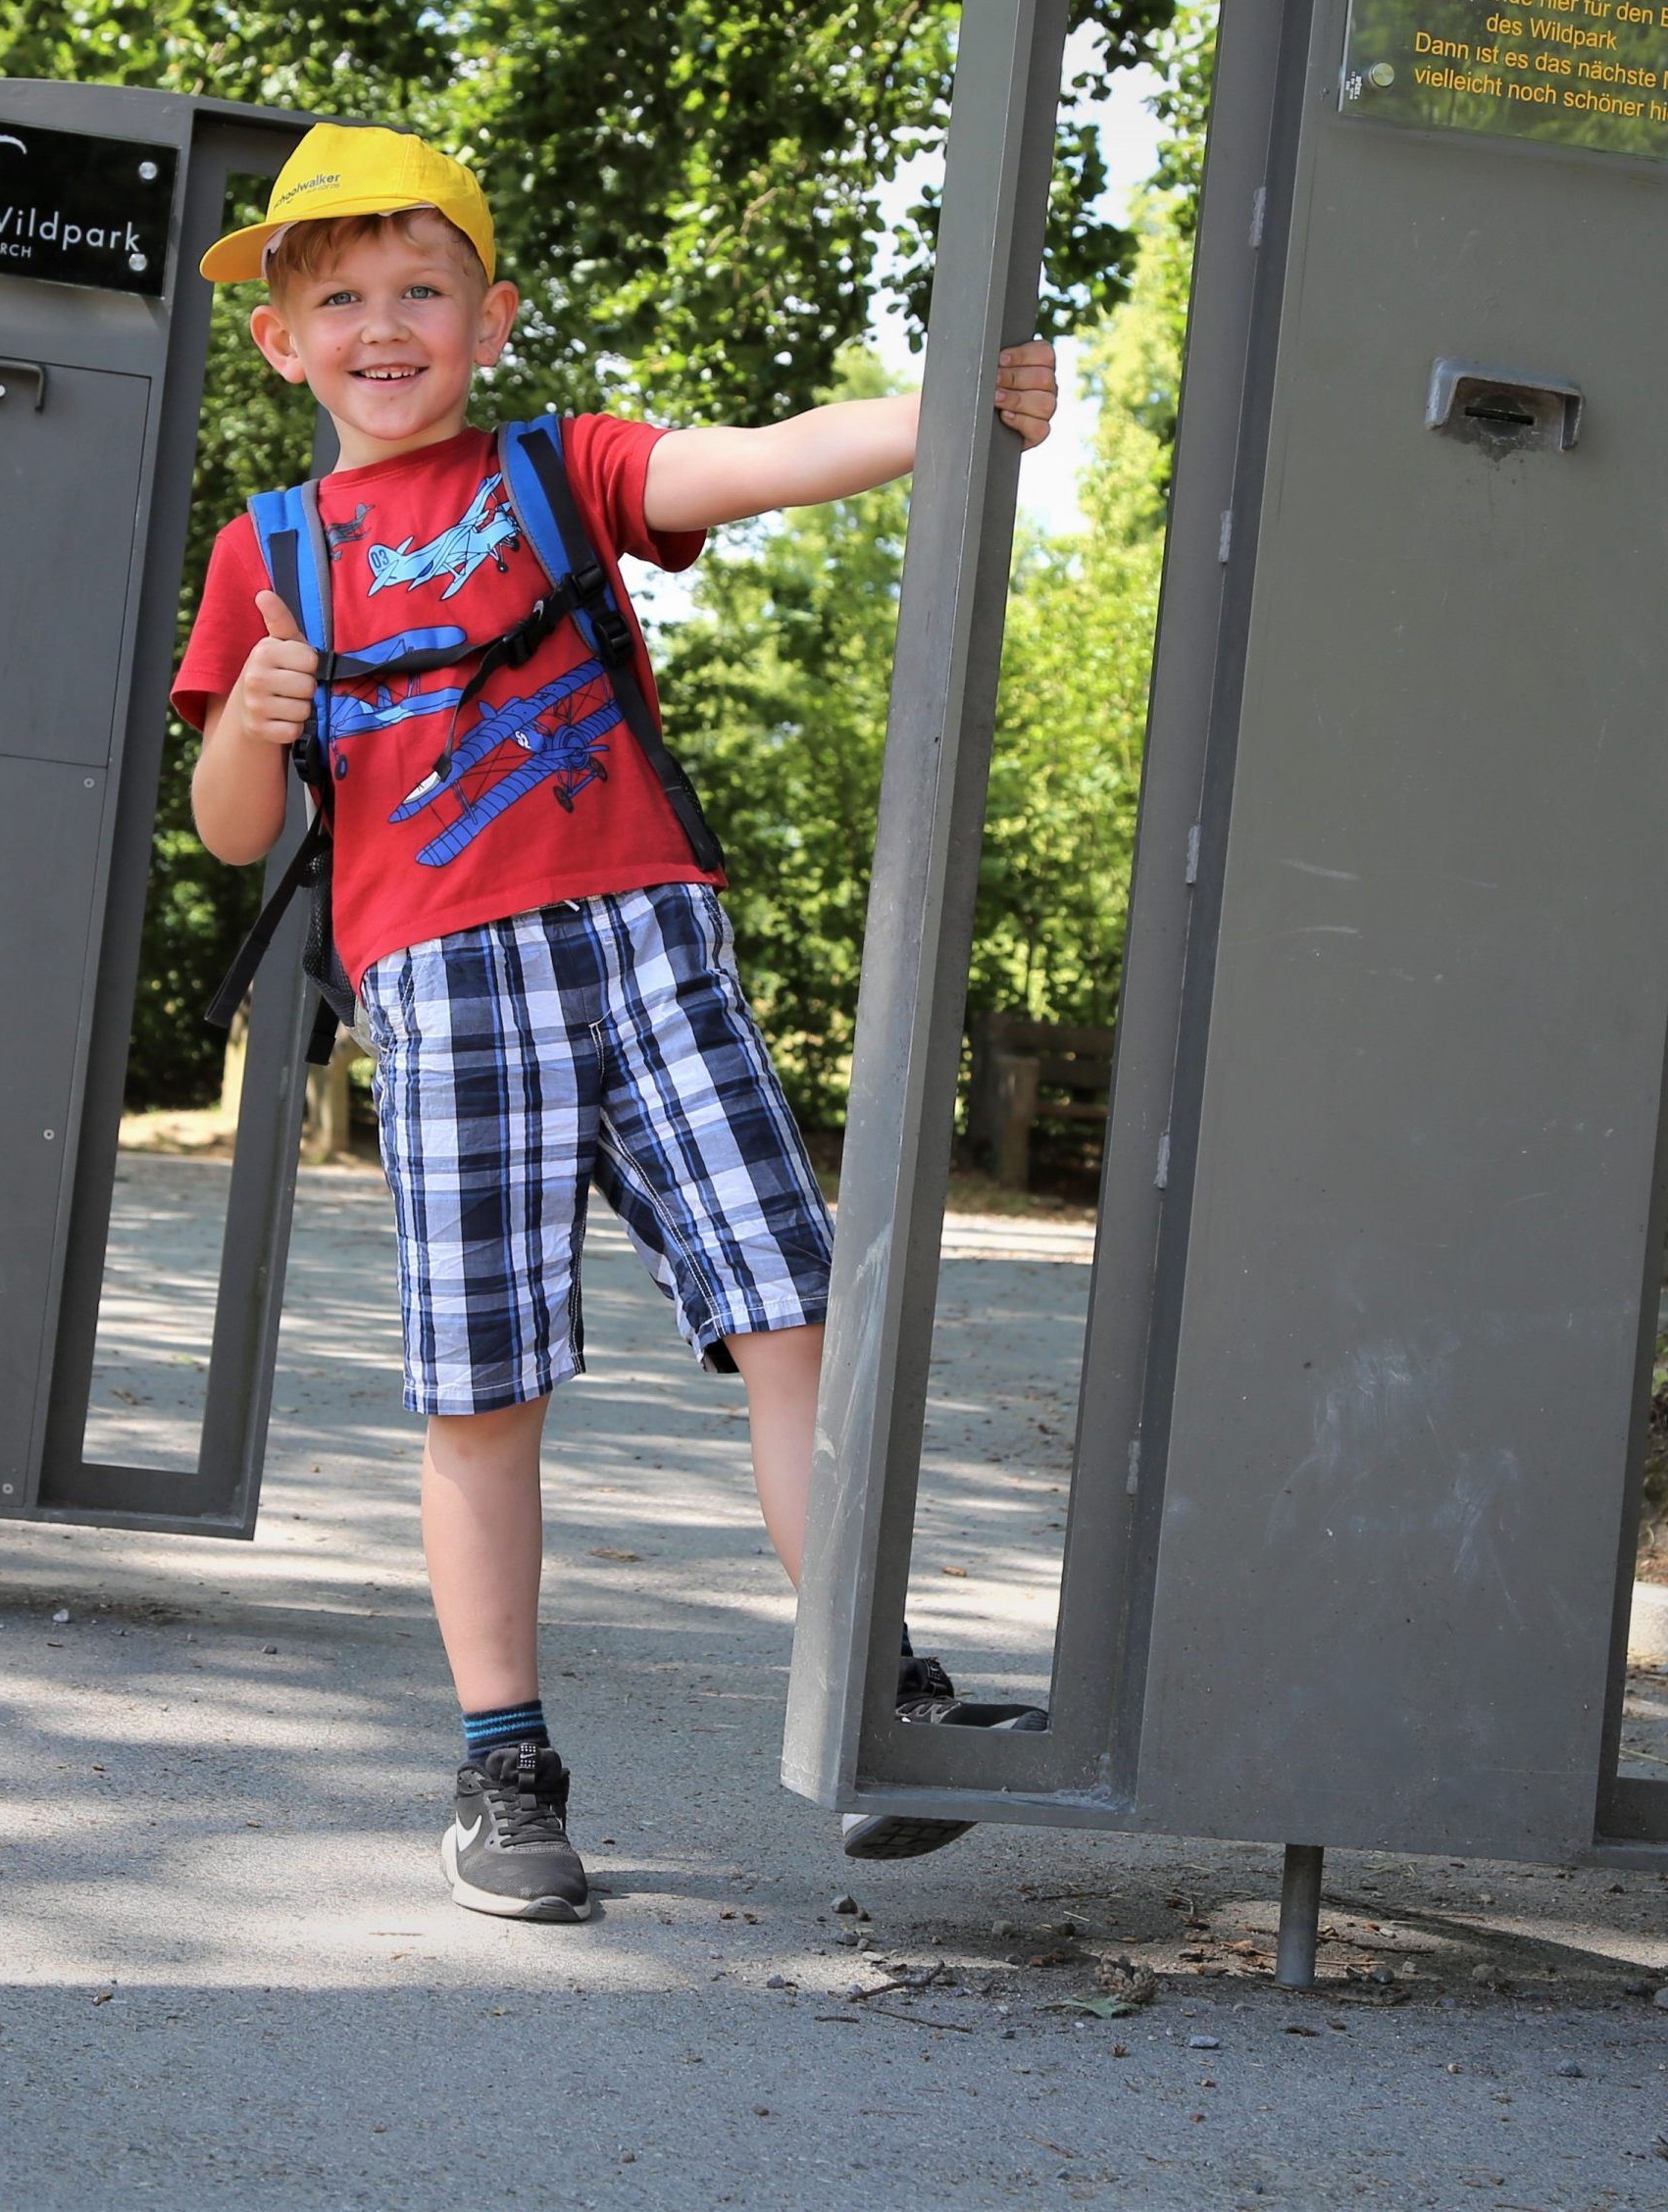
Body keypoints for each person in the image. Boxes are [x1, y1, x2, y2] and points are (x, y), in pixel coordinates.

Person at [171, 124, 1058, 1922]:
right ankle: (506, 1768)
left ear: (490, 316)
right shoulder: (269, 549)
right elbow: (236, 833)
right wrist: (252, 721)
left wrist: (953, 401)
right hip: (439, 984)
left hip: (648, 945)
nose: (383, 324)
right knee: (484, 1393)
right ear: (281, 343)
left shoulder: (561, 469)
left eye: (421, 287)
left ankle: (877, 1702)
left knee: (792, 1317)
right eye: (338, 298)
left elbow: (759, 461)